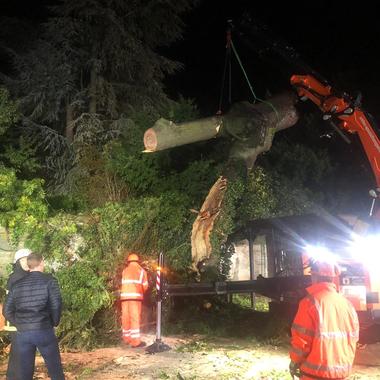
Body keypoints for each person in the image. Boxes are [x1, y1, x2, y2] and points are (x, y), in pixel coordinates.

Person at [289, 258, 359, 380]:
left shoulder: (309, 303)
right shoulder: (347, 304)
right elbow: (353, 339)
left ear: (314, 276)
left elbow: (302, 341)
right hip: (342, 373)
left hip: (315, 374)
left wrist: (294, 361)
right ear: (332, 278)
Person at [3, 253, 65, 380]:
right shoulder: (50, 281)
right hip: (44, 330)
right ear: (41, 262)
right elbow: (56, 305)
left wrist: (19, 324)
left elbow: (6, 310)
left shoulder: (17, 284)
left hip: (23, 334)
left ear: (29, 265)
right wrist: (54, 322)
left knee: (24, 373)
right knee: (55, 370)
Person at [4, 248, 31, 380]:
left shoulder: (23, 276)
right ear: (18, 262)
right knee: (22, 356)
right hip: (18, 323)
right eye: (25, 260)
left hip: (21, 323)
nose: (28, 262)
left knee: (17, 355)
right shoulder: (17, 278)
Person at [120, 253, 149, 348]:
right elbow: (145, 286)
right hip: (135, 298)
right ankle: (136, 342)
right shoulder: (141, 271)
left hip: (124, 298)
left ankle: (126, 339)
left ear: (128, 261)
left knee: (125, 318)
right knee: (134, 318)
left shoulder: (125, 271)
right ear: (138, 261)